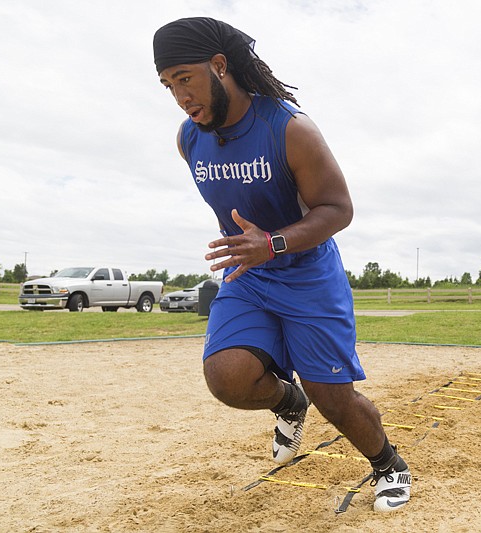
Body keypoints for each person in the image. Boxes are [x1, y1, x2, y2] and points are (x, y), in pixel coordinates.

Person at [153, 17, 411, 512]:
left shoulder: (289, 128)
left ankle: (388, 463)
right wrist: (254, 250)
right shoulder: (189, 139)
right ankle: (288, 403)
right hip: (249, 276)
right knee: (227, 377)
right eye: (169, 85)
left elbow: (338, 209)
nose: (180, 96)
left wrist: (271, 243)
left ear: (219, 65)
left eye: (185, 78)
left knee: (332, 395)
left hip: (307, 273)